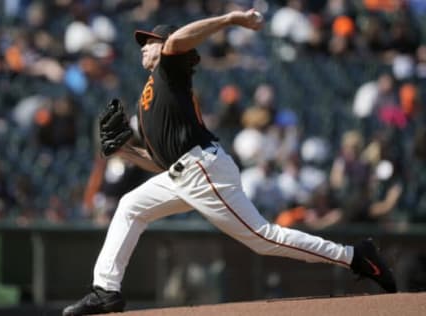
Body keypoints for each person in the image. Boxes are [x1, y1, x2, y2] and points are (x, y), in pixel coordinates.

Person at [63, 9, 397, 316]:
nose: (143, 47)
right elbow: (161, 161)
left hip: (202, 170)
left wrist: (231, 18)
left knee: (262, 238)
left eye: (149, 41)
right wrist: (124, 151)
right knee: (130, 206)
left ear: (166, 45)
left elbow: (179, 40)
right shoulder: (150, 96)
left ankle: (356, 257)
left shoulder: (171, 67)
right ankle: (106, 290)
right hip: (182, 172)